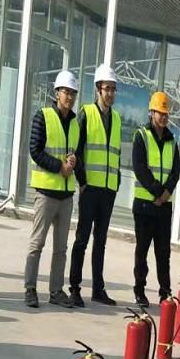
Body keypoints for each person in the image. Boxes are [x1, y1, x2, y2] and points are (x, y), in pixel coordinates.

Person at [24, 70, 81, 308]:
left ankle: (56, 291)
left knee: (61, 249)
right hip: (46, 193)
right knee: (37, 243)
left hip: (66, 195)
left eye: (73, 93)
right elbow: (35, 150)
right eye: (66, 92)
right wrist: (59, 167)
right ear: (57, 93)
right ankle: (30, 288)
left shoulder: (75, 124)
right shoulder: (43, 116)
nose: (70, 97)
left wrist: (73, 161)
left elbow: (76, 153)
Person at [70, 64, 120, 307]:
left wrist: (116, 183)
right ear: (98, 89)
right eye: (106, 88)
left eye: (113, 89)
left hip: (108, 191)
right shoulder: (86, 113)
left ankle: (98, 289)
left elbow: (116, 153)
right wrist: (82, 182)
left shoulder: (117, 118)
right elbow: (77, 151)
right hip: (90, 189)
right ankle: (75, 288)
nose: (110, 93)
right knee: (82, 239)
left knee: (100, 241)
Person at [130, 91, 179, 308]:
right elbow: (140, 168)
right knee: (142, 251)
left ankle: (165, 291)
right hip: (144, 205)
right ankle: (139, 290)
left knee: (163, 253)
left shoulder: (172, 141)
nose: (163, 117)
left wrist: (166, 193)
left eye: (166, 113)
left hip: (163, 207)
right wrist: (158, 192)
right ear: (151, 112)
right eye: (160, 112)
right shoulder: (141, 136)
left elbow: (175, 171)